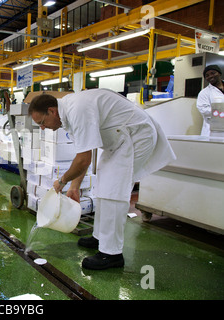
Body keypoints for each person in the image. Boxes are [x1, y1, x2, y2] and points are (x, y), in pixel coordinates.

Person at [28, 89, 176, 270]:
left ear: (51, 111)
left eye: (42, 123)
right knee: (103, 186)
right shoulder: (67, 113)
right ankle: (100, 237)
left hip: (136, 136)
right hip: (118, 140)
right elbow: (83, 153)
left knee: (114, 191)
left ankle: (111, 254)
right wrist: (74, 187)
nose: (43, 128)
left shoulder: (77, 110)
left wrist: (63, 181)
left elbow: (83, 160)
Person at [197, 65, 224, 136]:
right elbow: (204, 110)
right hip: (213, 131)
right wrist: (221, 110)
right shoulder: (204, 93)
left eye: (213, 73)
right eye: (207, 75)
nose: (210, 76)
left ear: (219, 73)